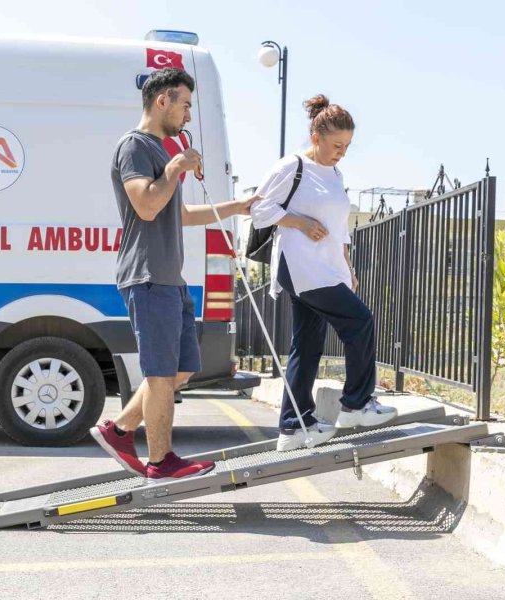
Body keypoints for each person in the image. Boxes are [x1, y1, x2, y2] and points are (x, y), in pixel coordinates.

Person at [90, 67, 258, 482]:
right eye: (184, 104)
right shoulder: (135, 146)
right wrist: (174, 169)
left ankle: (120, 429)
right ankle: (160, 461)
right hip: (147, 275)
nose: (187, 114)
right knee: (161, 372)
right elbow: (146, 205)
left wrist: (234, 208)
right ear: (162, 100)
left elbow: (175, 213)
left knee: (182, 367)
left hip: (170, 277)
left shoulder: (163, 152)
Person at [251, 94, 398, 452]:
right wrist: (298, 221)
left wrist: (346, 266)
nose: (341, 152)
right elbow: (258, 210)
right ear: (316, 138)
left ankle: (294, 426)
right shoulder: (292, 167)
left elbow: (339, 226)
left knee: (308, 344)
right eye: (336, 145)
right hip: (300, 267)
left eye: (346, 146)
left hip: (326, 269)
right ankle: (356, 404)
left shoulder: (334, 172)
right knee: (360, 320)